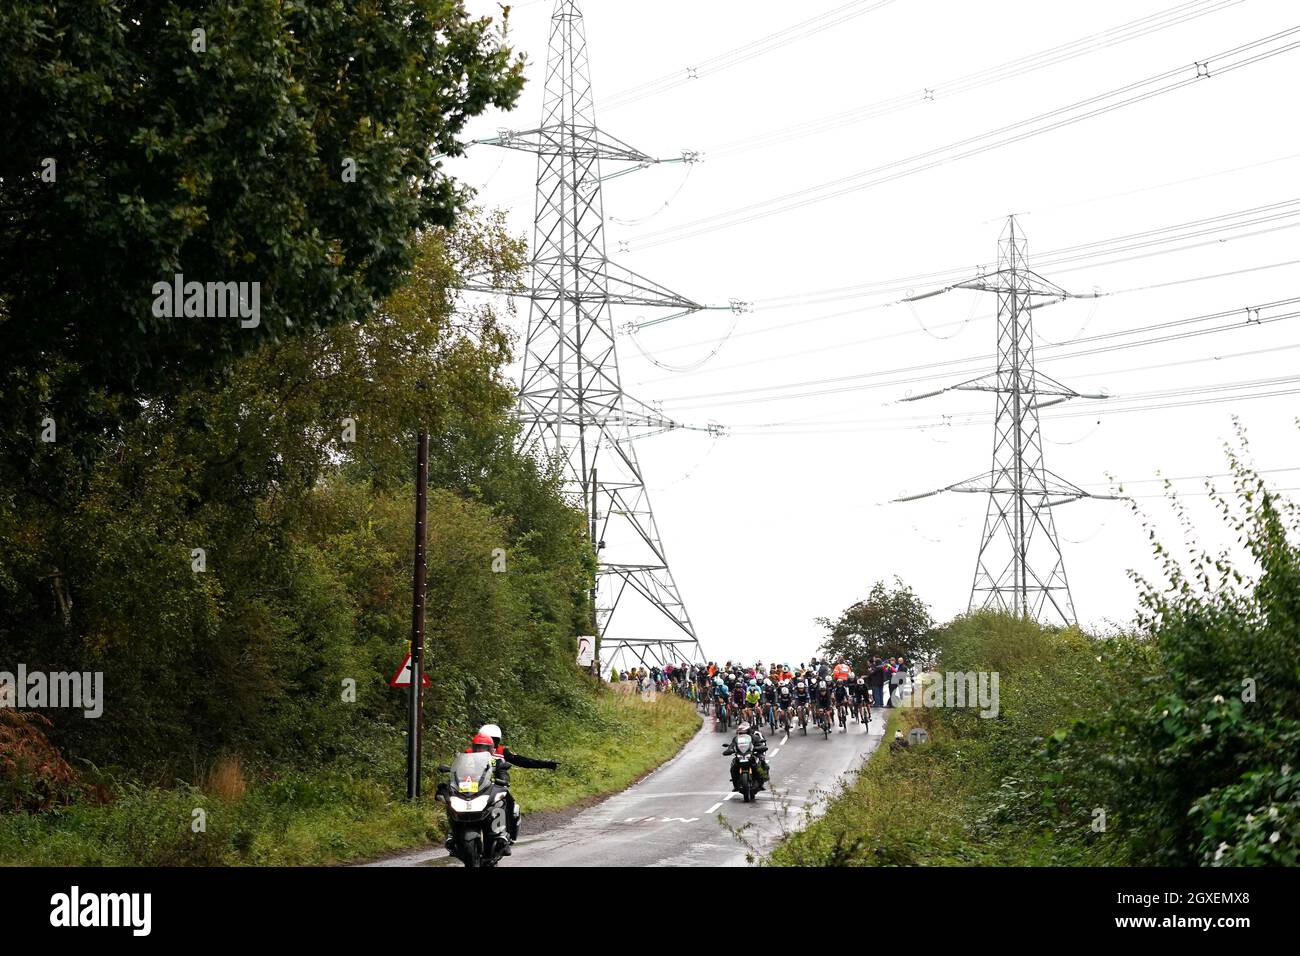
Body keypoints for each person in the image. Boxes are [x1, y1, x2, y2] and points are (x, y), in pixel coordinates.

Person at [473, 723, 559, 855]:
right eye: (487, 739)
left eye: (493, 740)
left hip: (495, 786)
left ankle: (505, 838)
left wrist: (546, 764)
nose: (489, 743)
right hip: (474, 788)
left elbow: (523, 761)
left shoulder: (502, 751)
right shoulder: (471, 752)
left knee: (508, 802)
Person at [723, 721, 769, 792]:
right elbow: (731, 746)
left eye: (744, 732)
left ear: (749, 731)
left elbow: (760, 745)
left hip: (752, 755)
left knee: (762, 764)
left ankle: (761, 781)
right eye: (741, 733)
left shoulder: (754, 737)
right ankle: (735, 785)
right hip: (740, 755)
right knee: (733, 766)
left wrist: (759, 748)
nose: (742, 734)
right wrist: (729, 750)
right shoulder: (735, 739)